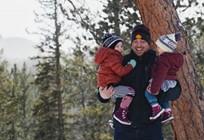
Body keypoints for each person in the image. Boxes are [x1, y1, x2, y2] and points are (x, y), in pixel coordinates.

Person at [97, 24, 181, 140]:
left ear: (149, 43)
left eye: (143, 41)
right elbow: (106, 80)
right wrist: (102, 95)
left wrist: (159, 91)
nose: (139, 45)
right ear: (131, 43)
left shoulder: (159, 61)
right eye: (135, 42)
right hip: (123, 128)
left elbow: (177, 90)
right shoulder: (122, 61)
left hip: (151, 127)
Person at [94, 33, 136, 125]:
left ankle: (114, 117)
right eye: (117, 46)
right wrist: (130, 66)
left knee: (122, 95)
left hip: (109, 84)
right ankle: (119, 114)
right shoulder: (113, 57)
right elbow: (121, 71)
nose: (121, 49)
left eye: (121, 46)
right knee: (130, 92)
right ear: (111, 47)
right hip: (110, 85)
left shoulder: (110, 57)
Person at [145, 33, 184, 124]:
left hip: (163, 81)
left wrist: (154, 89)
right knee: (163, 99)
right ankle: (167, 113)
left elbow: (160, 74)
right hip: (171, 82)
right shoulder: (173, 58)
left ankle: (156, 108)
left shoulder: (163, 59)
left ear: (165, 48)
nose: (157, 49)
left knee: (147, 92)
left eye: (159, 47)